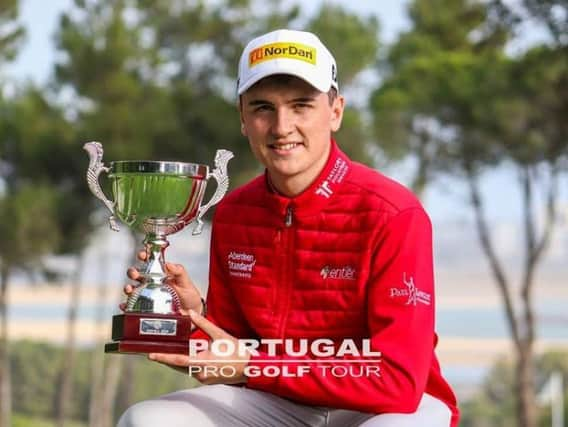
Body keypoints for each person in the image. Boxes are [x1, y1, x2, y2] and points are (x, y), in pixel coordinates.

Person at [118, 29, 459, 427]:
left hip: (386, 408)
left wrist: (257, 367)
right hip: (280, 401)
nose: (282, 126)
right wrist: (191, 320)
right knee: (148, 420)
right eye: (263, 107)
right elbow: (235, 356)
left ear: (335, 111)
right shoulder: (233, 213)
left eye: (301, 105)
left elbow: (398, 381)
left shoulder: (394, 213)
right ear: (243, 118)